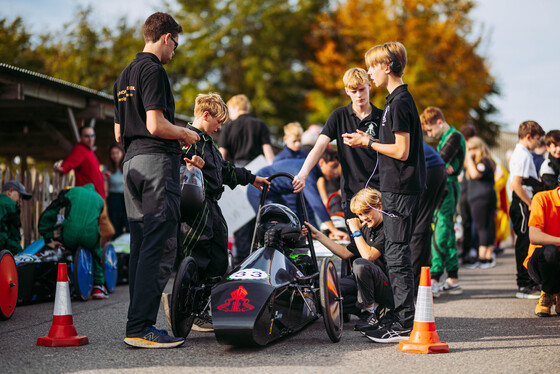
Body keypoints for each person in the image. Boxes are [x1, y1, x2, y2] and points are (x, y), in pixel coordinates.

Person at [113, 12, 200, 348]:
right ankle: (141, 328)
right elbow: (155, 125)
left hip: (131, 164)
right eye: (175, 44)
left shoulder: (123, 76)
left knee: (140, 246)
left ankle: (136, 323)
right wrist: (185, 133)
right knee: (159, 244)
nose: (174, 51)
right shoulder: (153, 70)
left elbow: (119, 131)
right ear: (165, 37)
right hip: (155, 165)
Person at [342, 42, 426, 343]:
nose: (369, 72)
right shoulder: (394, 100)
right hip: (394, 187)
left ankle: (403, 322)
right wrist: (368, 137)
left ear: (387, 66)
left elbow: (402, 151)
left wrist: (367, 143)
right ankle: (396, 315)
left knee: (397, 256)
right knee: (394, 254)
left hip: (401, 189)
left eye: (372, 67)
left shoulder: (400, 101)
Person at [166, 93, 269, 331]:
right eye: (218, 121)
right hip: (194, 205)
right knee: (197, 254)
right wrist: (187, 166)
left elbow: (224, 169)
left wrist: (251, 178)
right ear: (205, 115)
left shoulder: (209, 143)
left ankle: (203, 309)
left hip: (212, 205)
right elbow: (173, 164)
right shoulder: (186, 139)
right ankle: (181, 307)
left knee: (219, 255)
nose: (220, 126)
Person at [293, 68, 383, 223]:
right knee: (356, 241)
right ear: (347, 91)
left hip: (378, 189)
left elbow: (393, 148)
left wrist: (369, 142)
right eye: (354, 91)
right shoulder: (339, 116)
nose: (359, 95)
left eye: (362, 89)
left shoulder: (382, 116)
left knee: (379, 243)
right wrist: (303, 174)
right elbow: (319, 146)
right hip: (351, 192)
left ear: (369, 86)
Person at [303, 188, 393, 327]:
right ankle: (372, 310)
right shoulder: (366, 228)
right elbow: (345, 253)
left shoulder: (388, 227)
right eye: (360, 214)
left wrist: (356, 231)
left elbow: (368, 256)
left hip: (386, 285)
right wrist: (318, 235)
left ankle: (370, 311)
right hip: (367, 284)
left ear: (379, 206)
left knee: (360, 264)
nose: (363, 218)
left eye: (367, 212)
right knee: (325, 295)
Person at [218, 94, 274, 263]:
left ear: (234, 107)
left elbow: (222, 156)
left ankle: (241, 264)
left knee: (241, 223)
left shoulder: (228, 127)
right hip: (259, 173)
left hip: (238, 174)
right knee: (259, 220)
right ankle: (259, 261)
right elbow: (269, 154)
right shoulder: (260, 125)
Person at [247, 148, 348, 238]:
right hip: (258, 189)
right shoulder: (308, 170)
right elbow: (316, 204)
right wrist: (334, 230)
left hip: (274, 193)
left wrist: (314, 235)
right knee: (272, 229)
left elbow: (304, 208)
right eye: (333, 166)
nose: (335, 172)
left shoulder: (311, 171)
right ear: (321, 162)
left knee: (290, 225)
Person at [420, 107, 465, 297]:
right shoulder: (448, 138)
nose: (429, 135)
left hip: (447, 189)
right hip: (446, 188)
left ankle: (436, 277)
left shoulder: (454, 137)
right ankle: (452, 277)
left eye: (430, 130)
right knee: (446, 231)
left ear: (439, 122)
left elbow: (438, 161)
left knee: (441, 231)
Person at [38, 184, 107, 298]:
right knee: (96, 253)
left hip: (70, 234)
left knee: (67, 248)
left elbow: (51, 211)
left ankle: (68, 280)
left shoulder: (71, 191)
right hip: (90, 236)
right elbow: (95, 220)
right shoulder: (99, 199)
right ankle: (98, 286)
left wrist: (47, 235)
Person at [54, 125, 115, 246]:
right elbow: (69, 163)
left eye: (92, 135)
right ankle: (92, 253)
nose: (90, 138)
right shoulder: (80, 149)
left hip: (99, 197)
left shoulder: (89, 151)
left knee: (103, 230)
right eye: (86, 136)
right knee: (106, 230)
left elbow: (90, 173)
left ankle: (93, 254)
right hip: (92, 198)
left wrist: (102, 176)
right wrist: (62, 169)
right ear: (80, 137)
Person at [508, 120, 545, 299]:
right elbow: (516, 184)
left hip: (522, 202)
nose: (539, 143)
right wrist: (530, 204)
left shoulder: (522, 153)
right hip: (522, 203)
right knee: (523, 243)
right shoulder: (522, 155)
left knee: (526, 242)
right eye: (537, 139)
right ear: (529, 137)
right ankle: (524, 284)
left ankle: (528, 281)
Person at [410, 142, 446, 294]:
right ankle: (418, 282)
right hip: (435, 167)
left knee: (419, 226)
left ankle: (414, 284)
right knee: (422, 225)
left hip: (429, 167)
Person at [525, 174, 560, 317]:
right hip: (540, 263)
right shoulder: (542, 198)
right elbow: (534, 236)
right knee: (550, 252)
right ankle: (547, 293)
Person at [464, 137, 497, 268]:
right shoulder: (487, 161)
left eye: (473, 149)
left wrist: (468, 156)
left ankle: (483, 257)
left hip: (480, 198)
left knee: (482, 227)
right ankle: (487, 256)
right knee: (487, 226)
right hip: (485, 196)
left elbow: (475, 175)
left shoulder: (483, 161)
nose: (471, 152)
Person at [218, 94, 274, 166]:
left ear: (236, 107)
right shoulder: (260, 124)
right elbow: (268, 152)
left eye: (230, 109)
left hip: (238, 169)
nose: (229, 114)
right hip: (258, 168)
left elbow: (222, 154)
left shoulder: (229, 126)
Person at [104, 143, 128, 238]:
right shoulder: (107, 169)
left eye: (117, 152)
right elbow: (104, 188)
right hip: (113, 198)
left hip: (126, 198)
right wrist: (105, 178)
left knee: (126, 222)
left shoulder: (127, 166)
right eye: (112, 153)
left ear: (122, 153)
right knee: (115, 222)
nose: (115, 155)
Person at [0, 180, 32, 254]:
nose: (20, 200)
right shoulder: (10, 204)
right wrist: (18, 251)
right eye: (20, 196)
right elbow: (12, 234)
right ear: (10, 191)